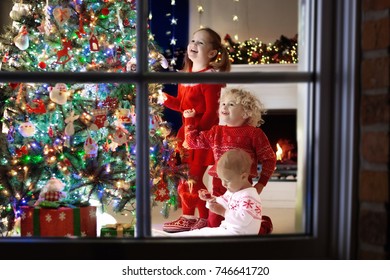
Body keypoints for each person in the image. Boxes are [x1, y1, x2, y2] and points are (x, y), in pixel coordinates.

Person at [160, 27, 231, 233]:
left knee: (193, 176)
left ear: (211, 53)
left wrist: (196, 135)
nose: (193, 45)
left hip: (202, 136)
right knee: (186, 176)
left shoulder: (210, 78)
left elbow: (211, 113)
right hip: (186, 132)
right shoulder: (186, 76)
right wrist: (163, 98)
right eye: (193, 41)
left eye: (200, 43)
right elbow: (181, 105)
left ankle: (190, 217)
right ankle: (198, 217)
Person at [182, 88, 277, 232]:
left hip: (242, 184)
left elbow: (269, 159)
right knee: (214, 224)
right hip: (219, 183)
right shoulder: (216, 132)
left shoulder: (254, 134)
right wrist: (190, 119)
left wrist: (262, 183)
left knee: (241, 223)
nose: (224, 107)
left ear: (246, 112)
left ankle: (263, 224)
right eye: (223, 104)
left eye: (231, 104)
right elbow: (192, 142)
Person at [152, 149, 262, 237]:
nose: (223, 184)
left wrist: (223, 212)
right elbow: (221, 201)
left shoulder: (249, 197)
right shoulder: (234, 191)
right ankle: (166, 237)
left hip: (238, 236)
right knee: (201, 233)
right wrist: (210, 199)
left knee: (203, 237)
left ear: (243, 176)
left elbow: (243, 220)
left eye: (227, 181)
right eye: (222, 179)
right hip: (227, 230)